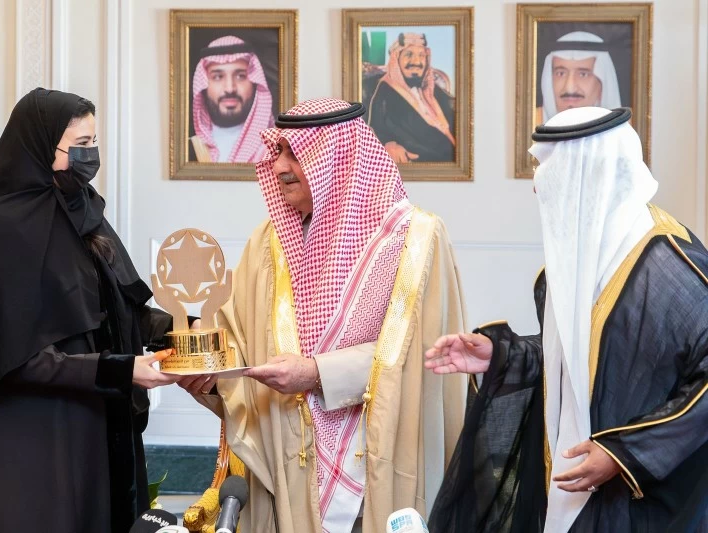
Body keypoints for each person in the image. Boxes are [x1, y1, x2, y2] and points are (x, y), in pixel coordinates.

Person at [179, 98, 468, 533]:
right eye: (277, 151)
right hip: (288, 467)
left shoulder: (416, 239)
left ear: (337, 158)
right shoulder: (268, 242)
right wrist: (206, 367)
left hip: (377, 467)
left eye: (295, 153)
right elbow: (237, 335)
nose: (279, 167)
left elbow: (423, 357)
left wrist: (317, 373)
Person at [426, 107, 708, 532]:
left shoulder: (672, 267)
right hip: (572, 486)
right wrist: (504, 355)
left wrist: (625, 453)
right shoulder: (574, 263)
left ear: (585, 175)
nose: (536, 186)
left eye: (547, 170)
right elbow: (583, 365)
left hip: (646, 505)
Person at [0, 88, 182, 533]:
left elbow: (115, 308)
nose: (91, 156)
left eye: (95, 142)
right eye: (80, 144)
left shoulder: (84, 211)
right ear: (39, 145)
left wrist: (182, 330)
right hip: (33, 433)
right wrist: (121, 369)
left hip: (94, 419)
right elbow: (11, 357)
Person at [367, 33, 456, 163]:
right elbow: (375, 128)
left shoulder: (432, 89)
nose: (416, 62)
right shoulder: (385, 91)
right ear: (396, 59)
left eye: (421, 55)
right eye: (408, 54)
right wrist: (388, 144)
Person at [189, 35, 274, 163]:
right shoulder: (187, 151)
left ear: (254, 82)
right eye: (218, 77)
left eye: (240, 76)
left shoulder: (274, 149)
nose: (230, 88)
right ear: (203, 85)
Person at [537, 31, 622, 123]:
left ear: (603, 83)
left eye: (583, 74)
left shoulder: (627, 128)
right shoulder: (531, 120)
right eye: (561, 73)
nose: (570, 88)